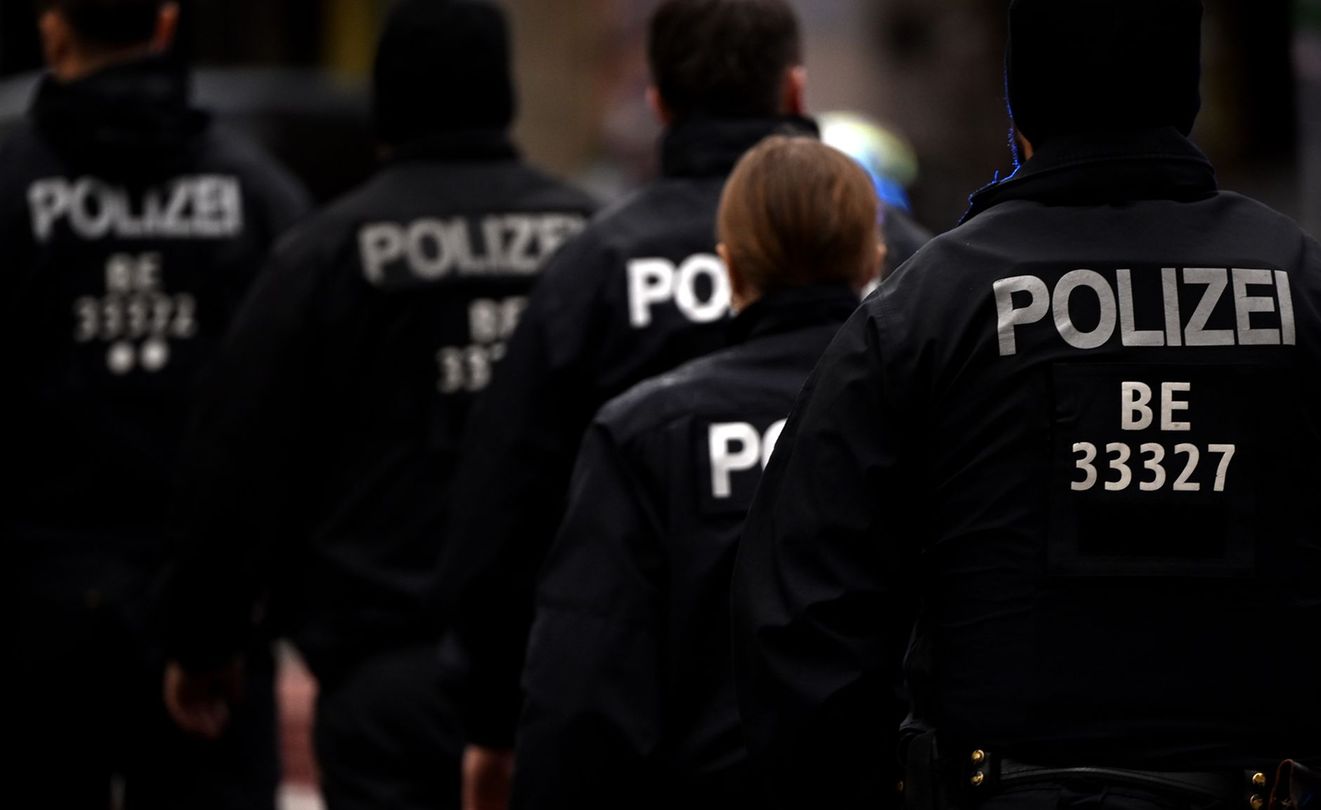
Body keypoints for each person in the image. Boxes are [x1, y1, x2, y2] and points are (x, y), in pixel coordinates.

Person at [731, 2, 1321, 810]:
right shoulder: (1318, 303)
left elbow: (799, 610)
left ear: (1019, 111)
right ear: (1187, 96)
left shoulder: (928, 308)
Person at [439, 1, 931, 799]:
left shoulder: (599, 278)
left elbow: (509, 508)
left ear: (658, 99)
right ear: (795, 88)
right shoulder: (921, 283)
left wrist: (493, 721)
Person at [158, 2, 596, 809]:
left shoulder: (325, 256)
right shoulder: (590, 243)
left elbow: (238, 458)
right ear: (502, 91)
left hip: (385, 671)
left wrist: (206, 638)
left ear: (387, 102)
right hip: (561, 668)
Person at [514, 135, 884, 810]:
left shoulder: (646, 433)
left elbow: (585, 691)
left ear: (731, 271)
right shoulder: (919, 415)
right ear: (874, 261)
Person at [0, 0, 309, 806]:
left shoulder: (6, 183)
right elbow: (291, 424)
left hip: (33, 615)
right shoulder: (257, 196)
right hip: (204, 628)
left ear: (54, 26)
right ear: (168, 23)